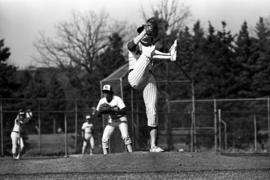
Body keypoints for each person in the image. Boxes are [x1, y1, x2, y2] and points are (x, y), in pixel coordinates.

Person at [127, 17, 177, 152]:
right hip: (134, 77)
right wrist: (144, 31)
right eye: (143, 32)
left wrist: (163, 52)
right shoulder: (136, 45)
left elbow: (153, 53)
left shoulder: (151, 48)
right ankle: (170, 56)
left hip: (148, 78)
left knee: (153, 110)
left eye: (148, 32)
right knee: (148, 53)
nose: (146, 34)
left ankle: (153, 145)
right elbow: (129, 46)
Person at [95, 84, 132, 154]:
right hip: (112, 120)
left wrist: (112, 110)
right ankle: (106, 156)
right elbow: (97, 114)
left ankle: (131, 153)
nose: (105, 94)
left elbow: (125, 111)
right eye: (104, 92)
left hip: (121, 119)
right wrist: (102, 112)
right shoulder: (102, 100)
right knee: (104, 138)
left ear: (111, 92)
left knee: (125, 136)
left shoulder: (117, 99)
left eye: (107, 92)